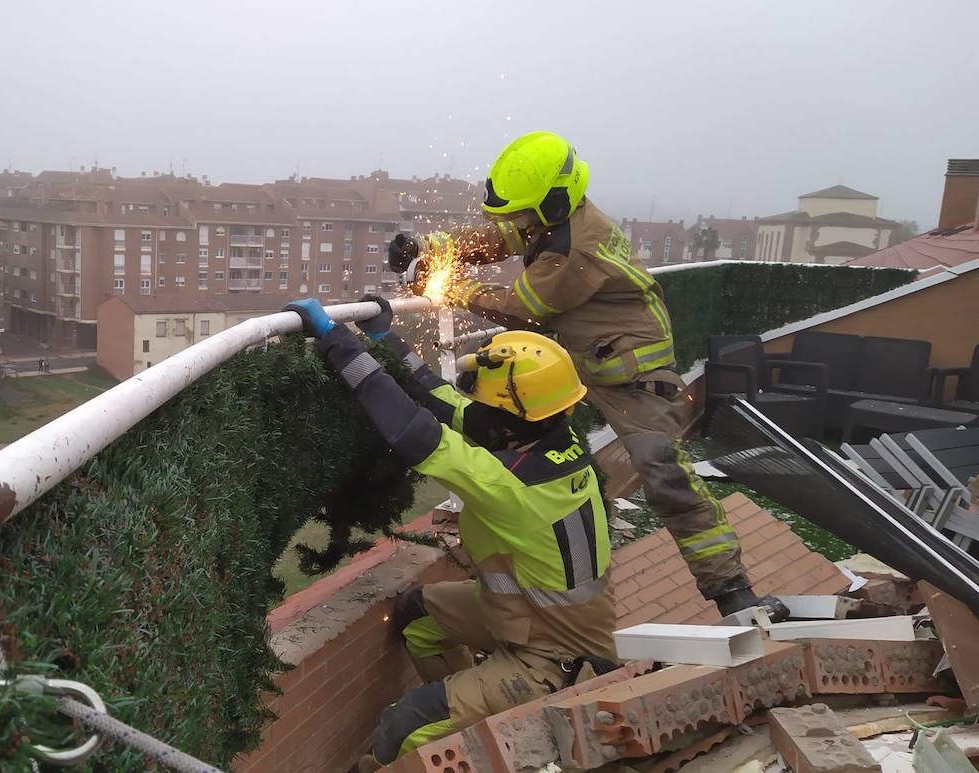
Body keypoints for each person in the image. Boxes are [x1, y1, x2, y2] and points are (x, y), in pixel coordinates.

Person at [388, 131, 785, 621]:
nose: (518, 224)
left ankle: (733, 592)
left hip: (631, 373)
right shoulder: (554, 216)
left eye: (524, 214)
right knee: (514, 432)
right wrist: (432, 246)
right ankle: (523, 581)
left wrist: (447, 286)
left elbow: (523, 308)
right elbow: (502, 236)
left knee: (664, 473)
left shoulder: (580, 246)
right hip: (581, 352)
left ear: (554, 202)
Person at [284, 295, 618, 769]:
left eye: (485, 402)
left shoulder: (512, 483)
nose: (473, 408)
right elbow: (442, 402)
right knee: (418, 617)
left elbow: (413, 432)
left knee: (403, 725)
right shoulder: (551, 437)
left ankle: (457, 726)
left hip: (554, 660)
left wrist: (337, 342)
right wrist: (385, 339)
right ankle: (473, 718)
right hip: (526, 615)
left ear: (508, 424)